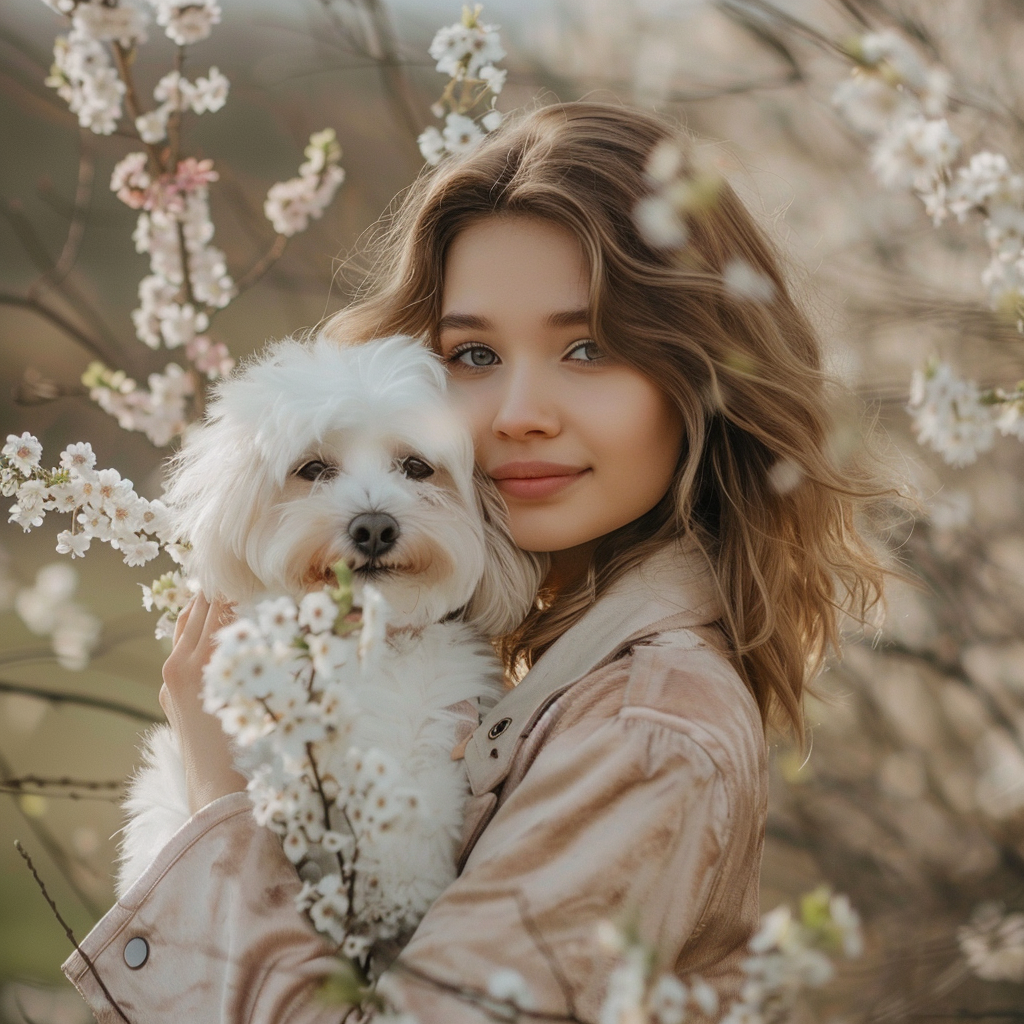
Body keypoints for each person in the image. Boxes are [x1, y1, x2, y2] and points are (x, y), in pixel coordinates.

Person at [61, 102, 887, 1023]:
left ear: (698, 376)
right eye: (476, 353)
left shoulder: (646, 730)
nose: (518, 414)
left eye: (588, 348)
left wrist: (221, 801)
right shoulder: (534, 656)